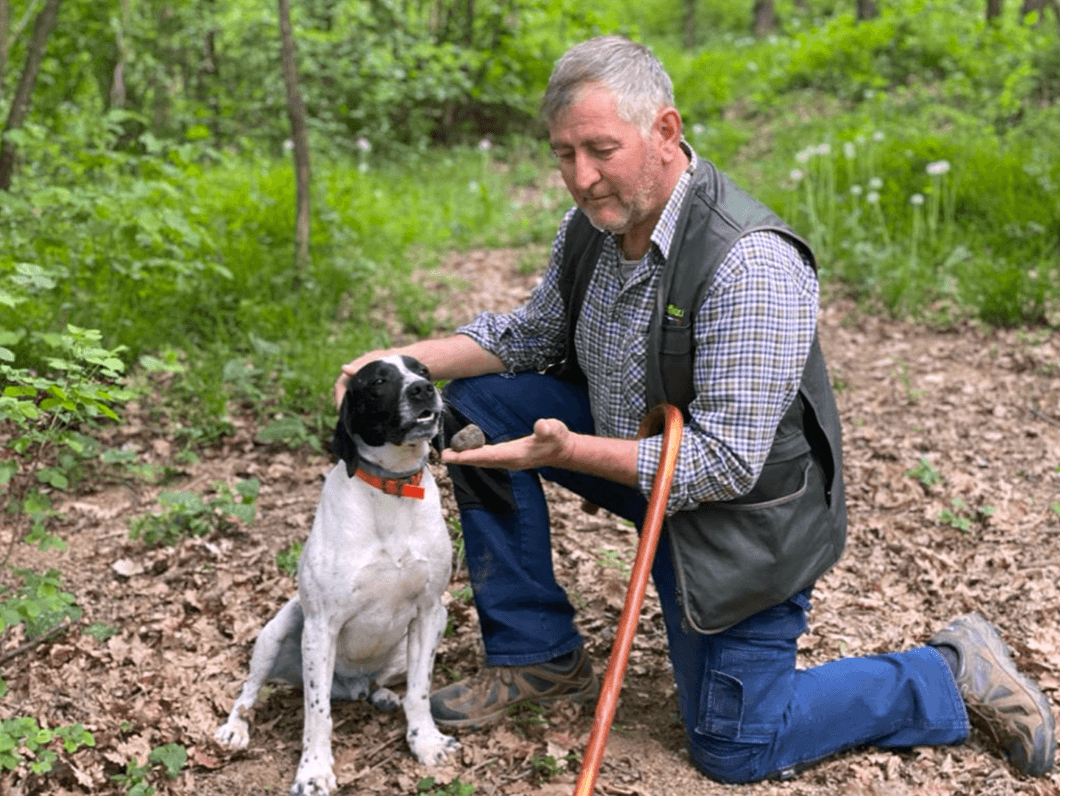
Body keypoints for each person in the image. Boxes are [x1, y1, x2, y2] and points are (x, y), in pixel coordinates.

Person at [334, 35, 1055, 782]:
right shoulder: (595, 224)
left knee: (740, 744)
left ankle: (945, 671)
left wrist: (567, 453)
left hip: (738, 517)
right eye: (563, 154)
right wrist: (389, 364)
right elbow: (532, 332)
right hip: (638, 459)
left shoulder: (751, 261)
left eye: (600, 149)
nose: (580, 177)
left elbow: (724, 464)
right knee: (475, 406)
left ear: (666, 131)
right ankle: (536, 654)